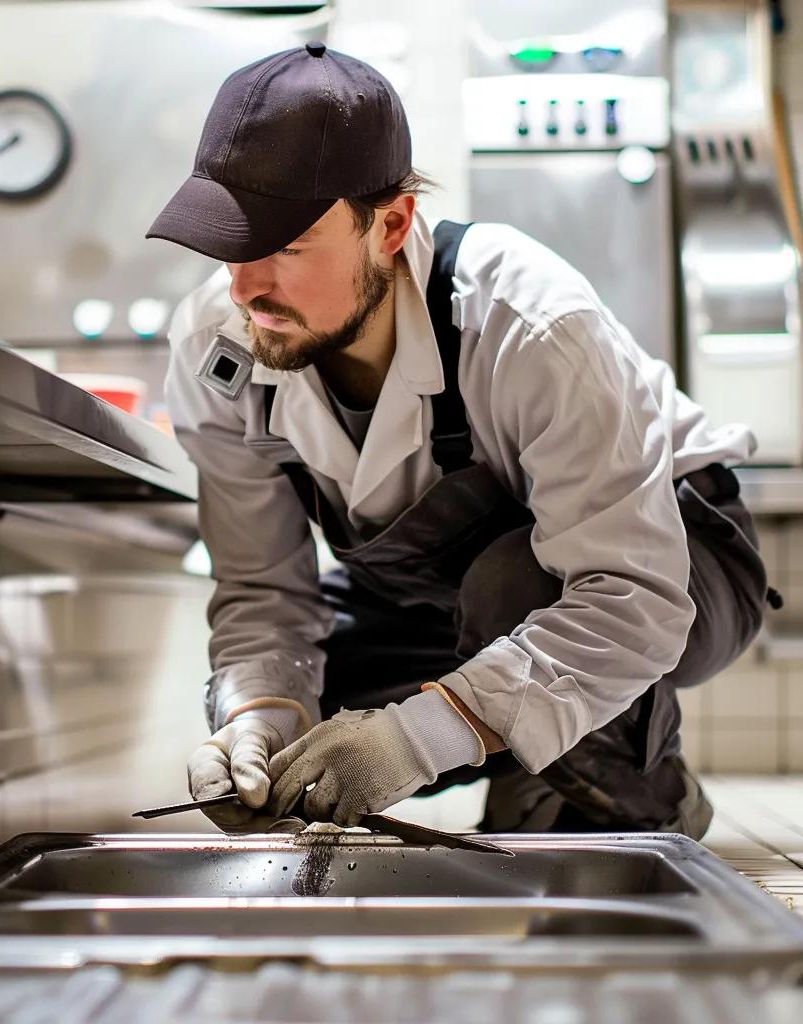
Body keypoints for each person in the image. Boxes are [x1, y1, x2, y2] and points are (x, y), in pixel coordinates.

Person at [146, 44, 773, 839]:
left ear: (392, 223)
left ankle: (646, 809)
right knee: (320, 701)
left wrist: (417, 739)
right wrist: (256, 717)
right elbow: (265, 595)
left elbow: (633, 596)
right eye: (231, 241)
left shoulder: (530, 323)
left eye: (285, 247)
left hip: (675, 564)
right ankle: (531, 765)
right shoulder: (216, 347)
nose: (244, 286)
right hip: (442, 598)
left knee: (513, 585)